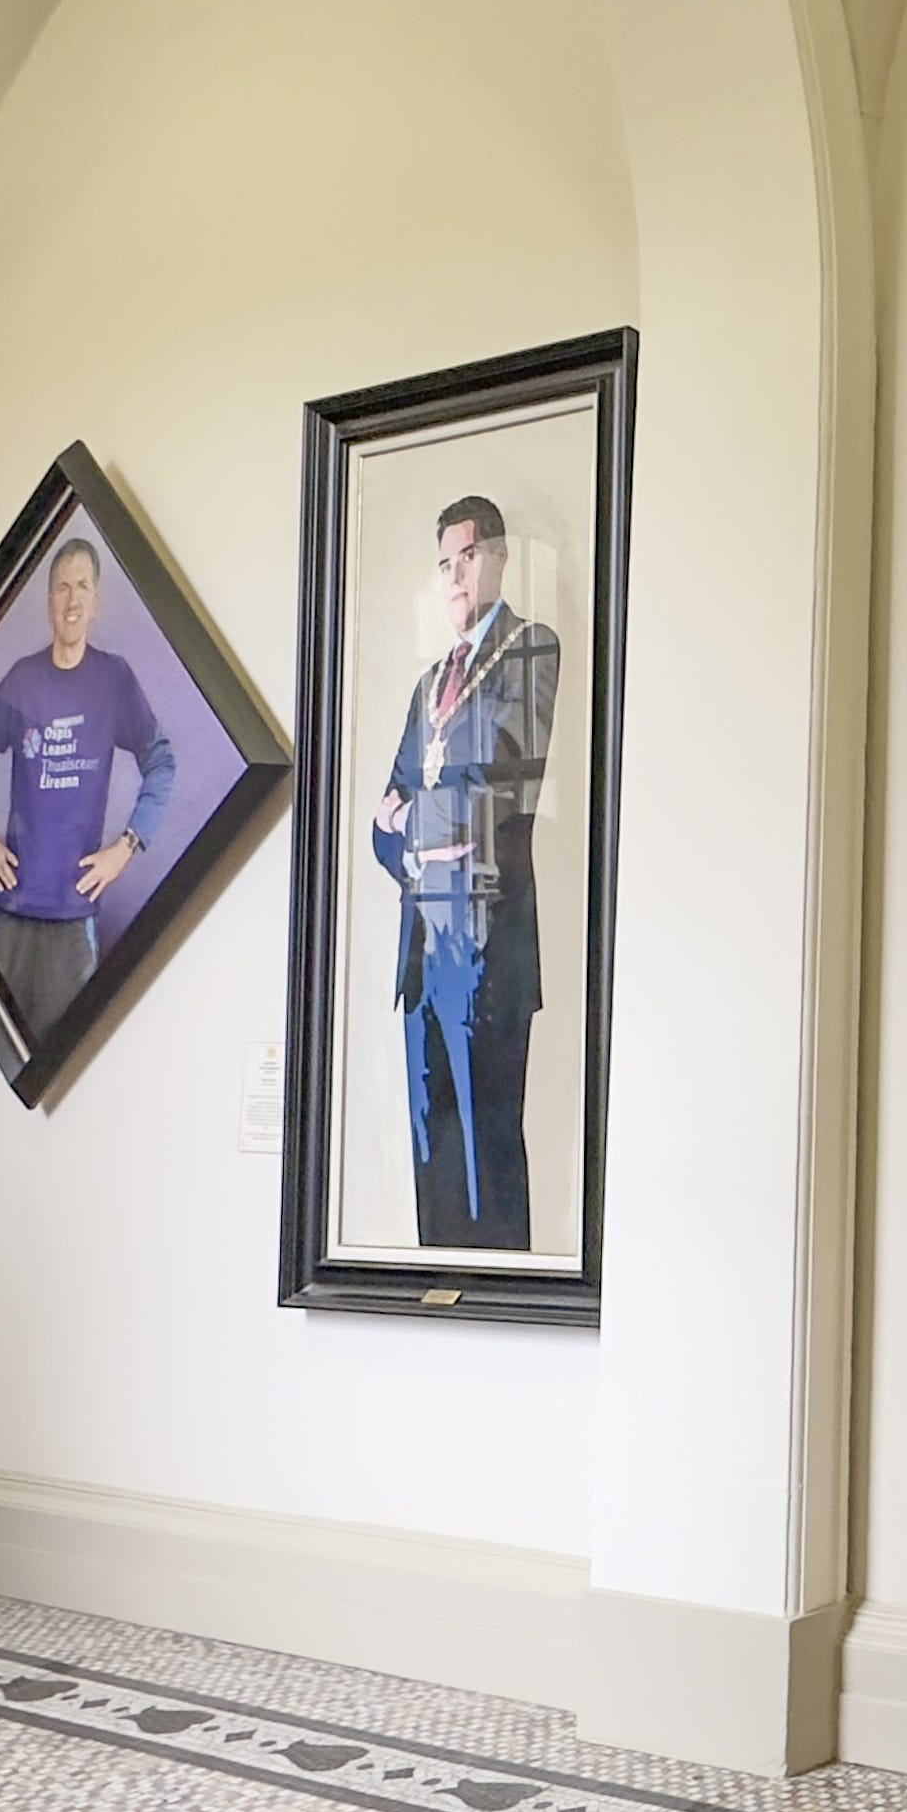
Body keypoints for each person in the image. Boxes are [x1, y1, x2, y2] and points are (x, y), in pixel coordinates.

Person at [372, 494, 559, 1252]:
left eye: (467, 558)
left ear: (500, 558)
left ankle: (501, 1311)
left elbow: (504, 785)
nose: (454, 577)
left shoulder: (530, 649)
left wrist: (413, 820)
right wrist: (414, 838)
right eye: (444, 564)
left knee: (488, 1153)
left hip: (487, 950)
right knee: (432, 1155)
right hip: (423, 950)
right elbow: (379, 820)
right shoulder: (428, 684)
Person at [0, 535, 175, 1035]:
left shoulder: (113, 680)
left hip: (75, 919)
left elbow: (161, 762)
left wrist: (128, 844)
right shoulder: (22, 680)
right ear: (48, 602)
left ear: (95, 603)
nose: (72, 600)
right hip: (12, 914)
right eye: (61, 588)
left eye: (82, 588)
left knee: (67, 1063)